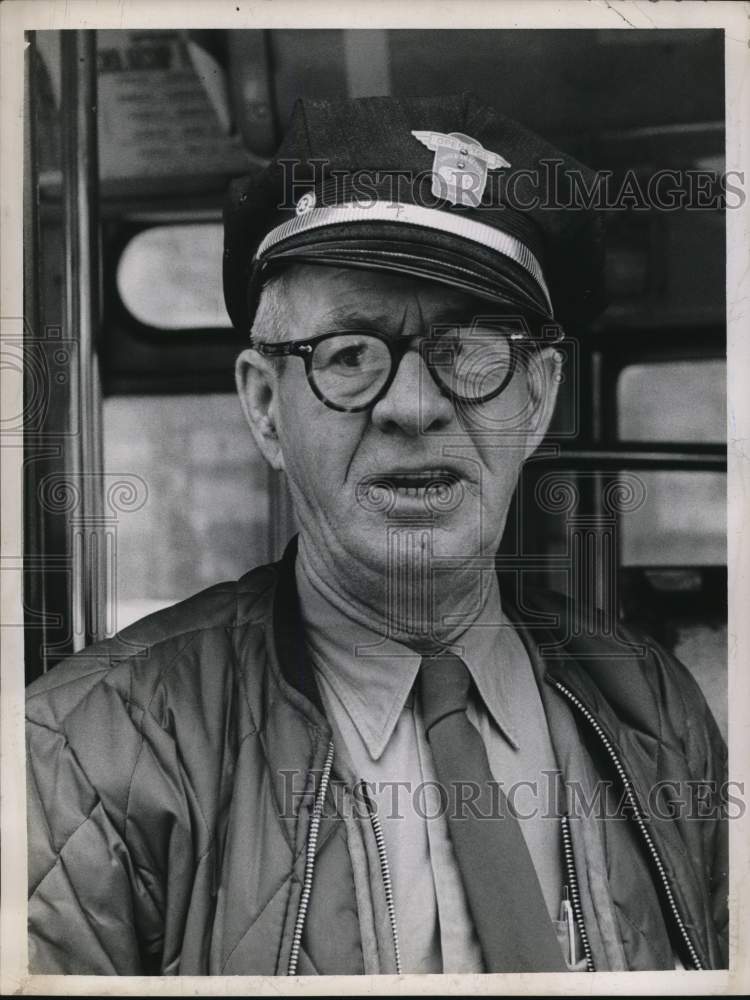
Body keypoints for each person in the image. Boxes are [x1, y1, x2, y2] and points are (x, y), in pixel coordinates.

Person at [26, 93, 727, 975]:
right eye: (349, 354)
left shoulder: (660, 711)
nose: (412, 405)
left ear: (538, 397)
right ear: (264, 406)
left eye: (471, 350)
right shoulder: (87, 749)